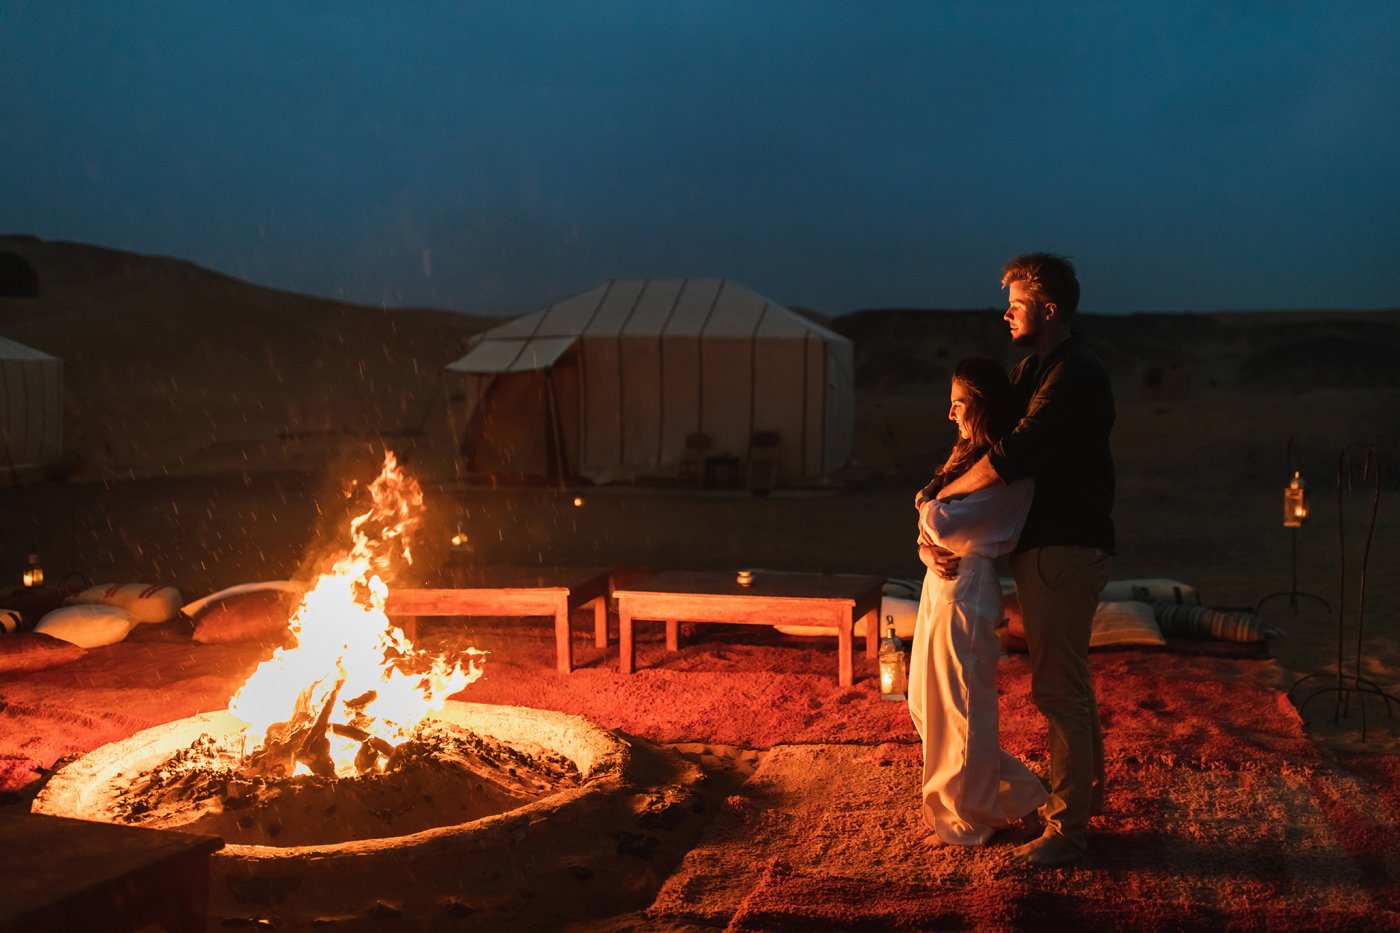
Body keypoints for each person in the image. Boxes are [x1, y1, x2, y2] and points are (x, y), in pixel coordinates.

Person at [927, 252, 1115, 868]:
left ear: (1050, 308)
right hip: (1047, 545)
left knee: (1058, 689)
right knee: (1068, 686)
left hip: (1065, 545)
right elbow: (987, 440)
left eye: (1015, 302)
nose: (1004, 313)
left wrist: (938, 499)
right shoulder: (1036, 368)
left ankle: (1069, 832)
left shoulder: (1074, 373)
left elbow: (1015, 453)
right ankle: (1085, 801)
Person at [908, 358, 1048, 848]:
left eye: (959, 404)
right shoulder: (966, 461)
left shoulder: (1009, 472)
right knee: (926, 706)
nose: (950, 414)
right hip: (939, 581)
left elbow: (944, 524)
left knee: (960, 710)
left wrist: (928, 507)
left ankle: (971, 819)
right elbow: (935, 528)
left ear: (984, 407)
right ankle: (1023, 798)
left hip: (969, 586)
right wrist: (926, 542)